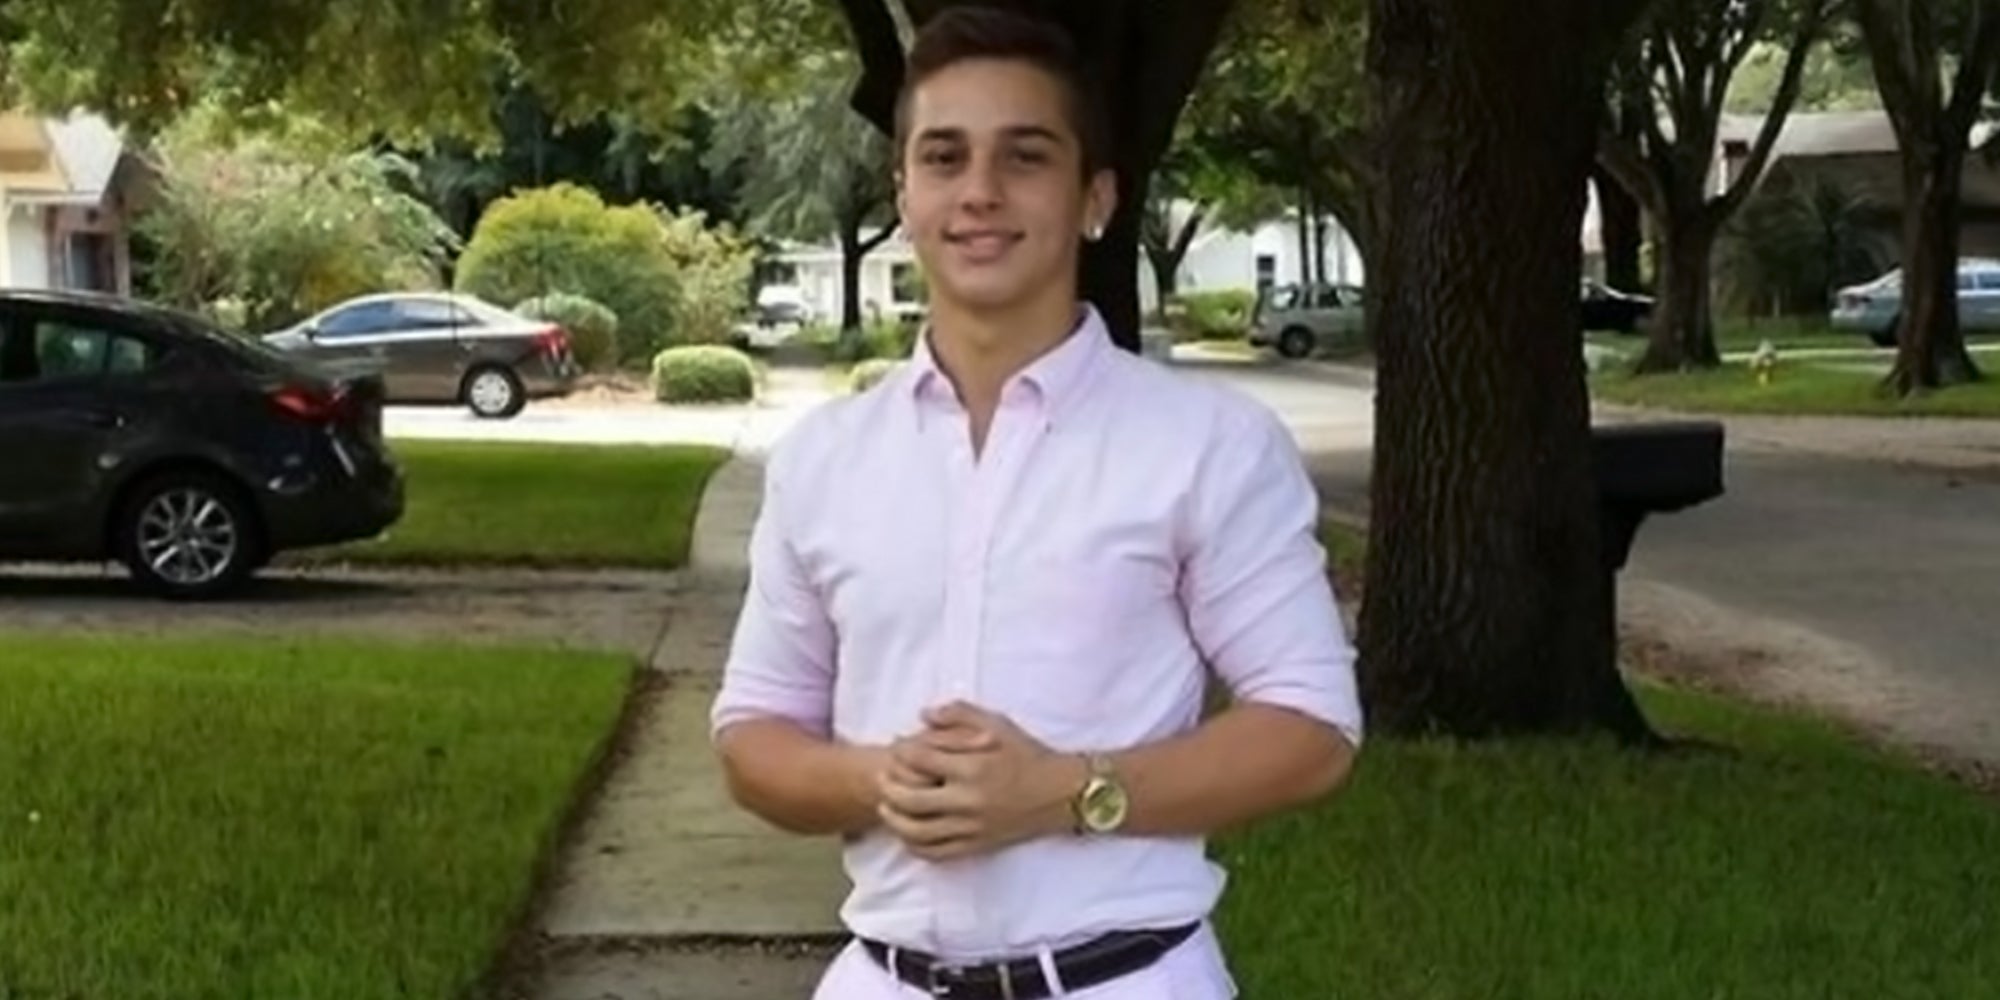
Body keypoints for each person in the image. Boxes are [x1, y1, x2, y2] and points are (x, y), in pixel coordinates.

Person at [709, 7, 1363, 997]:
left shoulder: (1206, 448)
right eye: (942, 157)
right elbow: (755, 733)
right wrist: (879, 778)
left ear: (1093, 197)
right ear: (903, 193)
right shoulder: (822, 461)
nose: (978, 192)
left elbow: (1310, 729)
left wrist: (1065, 792)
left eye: (1023, 156)